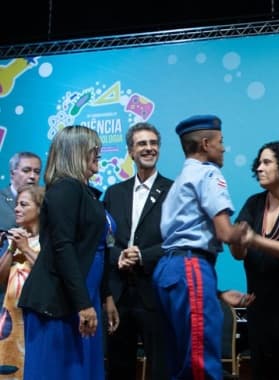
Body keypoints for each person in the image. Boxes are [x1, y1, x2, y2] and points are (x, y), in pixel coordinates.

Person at [18, 126, 119, 380]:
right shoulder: (65, 189)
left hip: (85, 296)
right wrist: (83, 304)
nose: (98, 156)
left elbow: (99, 249)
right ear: (76, 152)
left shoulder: (86, 193)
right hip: (61, 302)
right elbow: (64, 248)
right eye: (93, 150)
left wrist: (105, 296)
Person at [153, 114, 248, 380]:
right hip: (192, 266)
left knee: (178, 358)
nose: (224, 148)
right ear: (206, 144)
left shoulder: (179, 181)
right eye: (221, 142)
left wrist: (216, 293)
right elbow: (224, 232)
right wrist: (245, 233)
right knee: (200, 361)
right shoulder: (209, 173)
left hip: (168, 270)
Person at [229, 141, 279, 380]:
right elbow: (238, 255)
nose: (259, 168)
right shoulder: (254, 203)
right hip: (258, 309)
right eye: (259, 163)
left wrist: (254, 240)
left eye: (267, 163)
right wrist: (235, 238)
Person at [103, 122, 173, 380]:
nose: (149, 148)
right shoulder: (114, 193)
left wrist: (143, 255)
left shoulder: (174, 191)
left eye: (153, 143)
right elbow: (103, 241)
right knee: (118, 366)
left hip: (155, 291)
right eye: (142, 143)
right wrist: (118, 255)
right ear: (130, 151)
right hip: (118, 294)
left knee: (161, 367)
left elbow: (178, 241)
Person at [0, 185, 44, 378]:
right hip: (10, 318)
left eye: (23, 204)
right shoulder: (16, 237)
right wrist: (11, 249)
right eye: (16, 204)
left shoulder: (49, 240)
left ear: (40, 209)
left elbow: (48, 275)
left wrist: (25, 248)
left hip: (35, 319)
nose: (16, 209)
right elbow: (1, 279)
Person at [0, 152, 41, 231]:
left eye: (37, 172)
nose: (32, 176)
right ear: (12, 173)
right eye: (26, 171)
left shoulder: (44, 203)